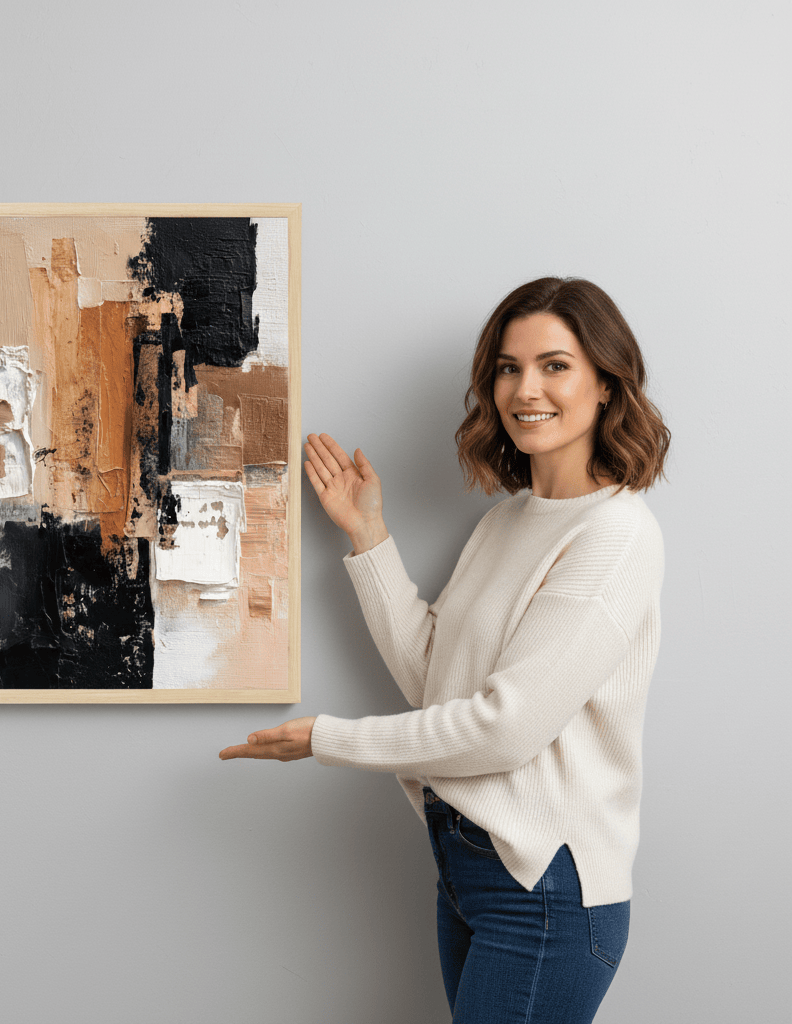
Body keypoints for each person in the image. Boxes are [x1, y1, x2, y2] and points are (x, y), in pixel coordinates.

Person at [219, 276, 670, 1023]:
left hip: (545, 892)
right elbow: (439, 681)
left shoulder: (616, 536)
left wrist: (328, 740)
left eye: (555, 365)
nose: (526, 388)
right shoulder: (507, 521)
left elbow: (506, 727)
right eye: (507, 367)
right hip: (467, 867)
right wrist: (367, 535)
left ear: (606, 383)